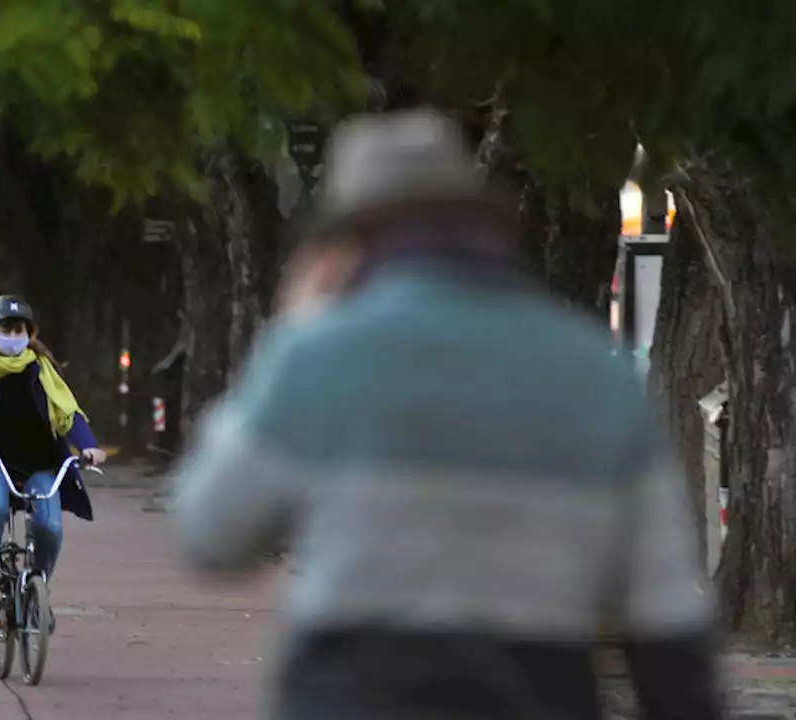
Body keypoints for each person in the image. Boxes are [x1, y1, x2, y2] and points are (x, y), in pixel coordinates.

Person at [171, 110, 722, 720]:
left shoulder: (317, 355)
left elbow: (211, 531)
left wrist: (291, 332)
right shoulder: (593, 370)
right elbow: (666, 620)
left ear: (346, 244)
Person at [0, 295, 106, 624]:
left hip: (41, 464)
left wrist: (88, 446)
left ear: (30, 333)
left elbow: (70, 414)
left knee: (50, 527)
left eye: (19, 329)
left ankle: (38, 588)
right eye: (6, 329)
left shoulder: (44, 371)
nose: (13, 335)